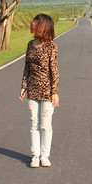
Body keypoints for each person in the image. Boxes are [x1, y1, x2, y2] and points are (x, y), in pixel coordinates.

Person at [18, 13, 59, 168]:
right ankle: (35, 155)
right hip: (32, 89)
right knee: (34, 123)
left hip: (47, 91)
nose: (31, 23)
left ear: (42, 25)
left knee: (45, 125)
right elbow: (27, 67)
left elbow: (54, 70)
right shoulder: (30, 44)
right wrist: (23, 86)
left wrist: (55, 92)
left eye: (34, 21)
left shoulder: (51, 46)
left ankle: (45, 155)